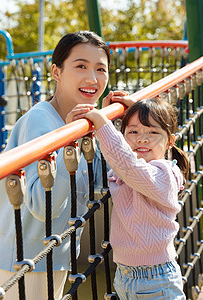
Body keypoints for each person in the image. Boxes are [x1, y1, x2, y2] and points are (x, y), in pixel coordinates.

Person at [0, 31, 129, 300]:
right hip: (20, 266)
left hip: (52, 260)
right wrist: (70, 145)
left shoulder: (81, 124)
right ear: (56, 72)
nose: (92, 79)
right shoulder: (41, 121)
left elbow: (98, 183)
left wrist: (116, 126)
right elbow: (43, 206)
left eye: (101, 69)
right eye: (81, 66)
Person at [82, 97, 189, 299]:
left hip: (156, 279)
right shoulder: (129, 170)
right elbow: (118, 157)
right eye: (134, 132)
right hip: (124, 275)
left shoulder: (165, 174)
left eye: (153, 132)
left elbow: (127, 164)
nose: (142, 139)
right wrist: (115, 118)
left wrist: (101, 120)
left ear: (170, 141)